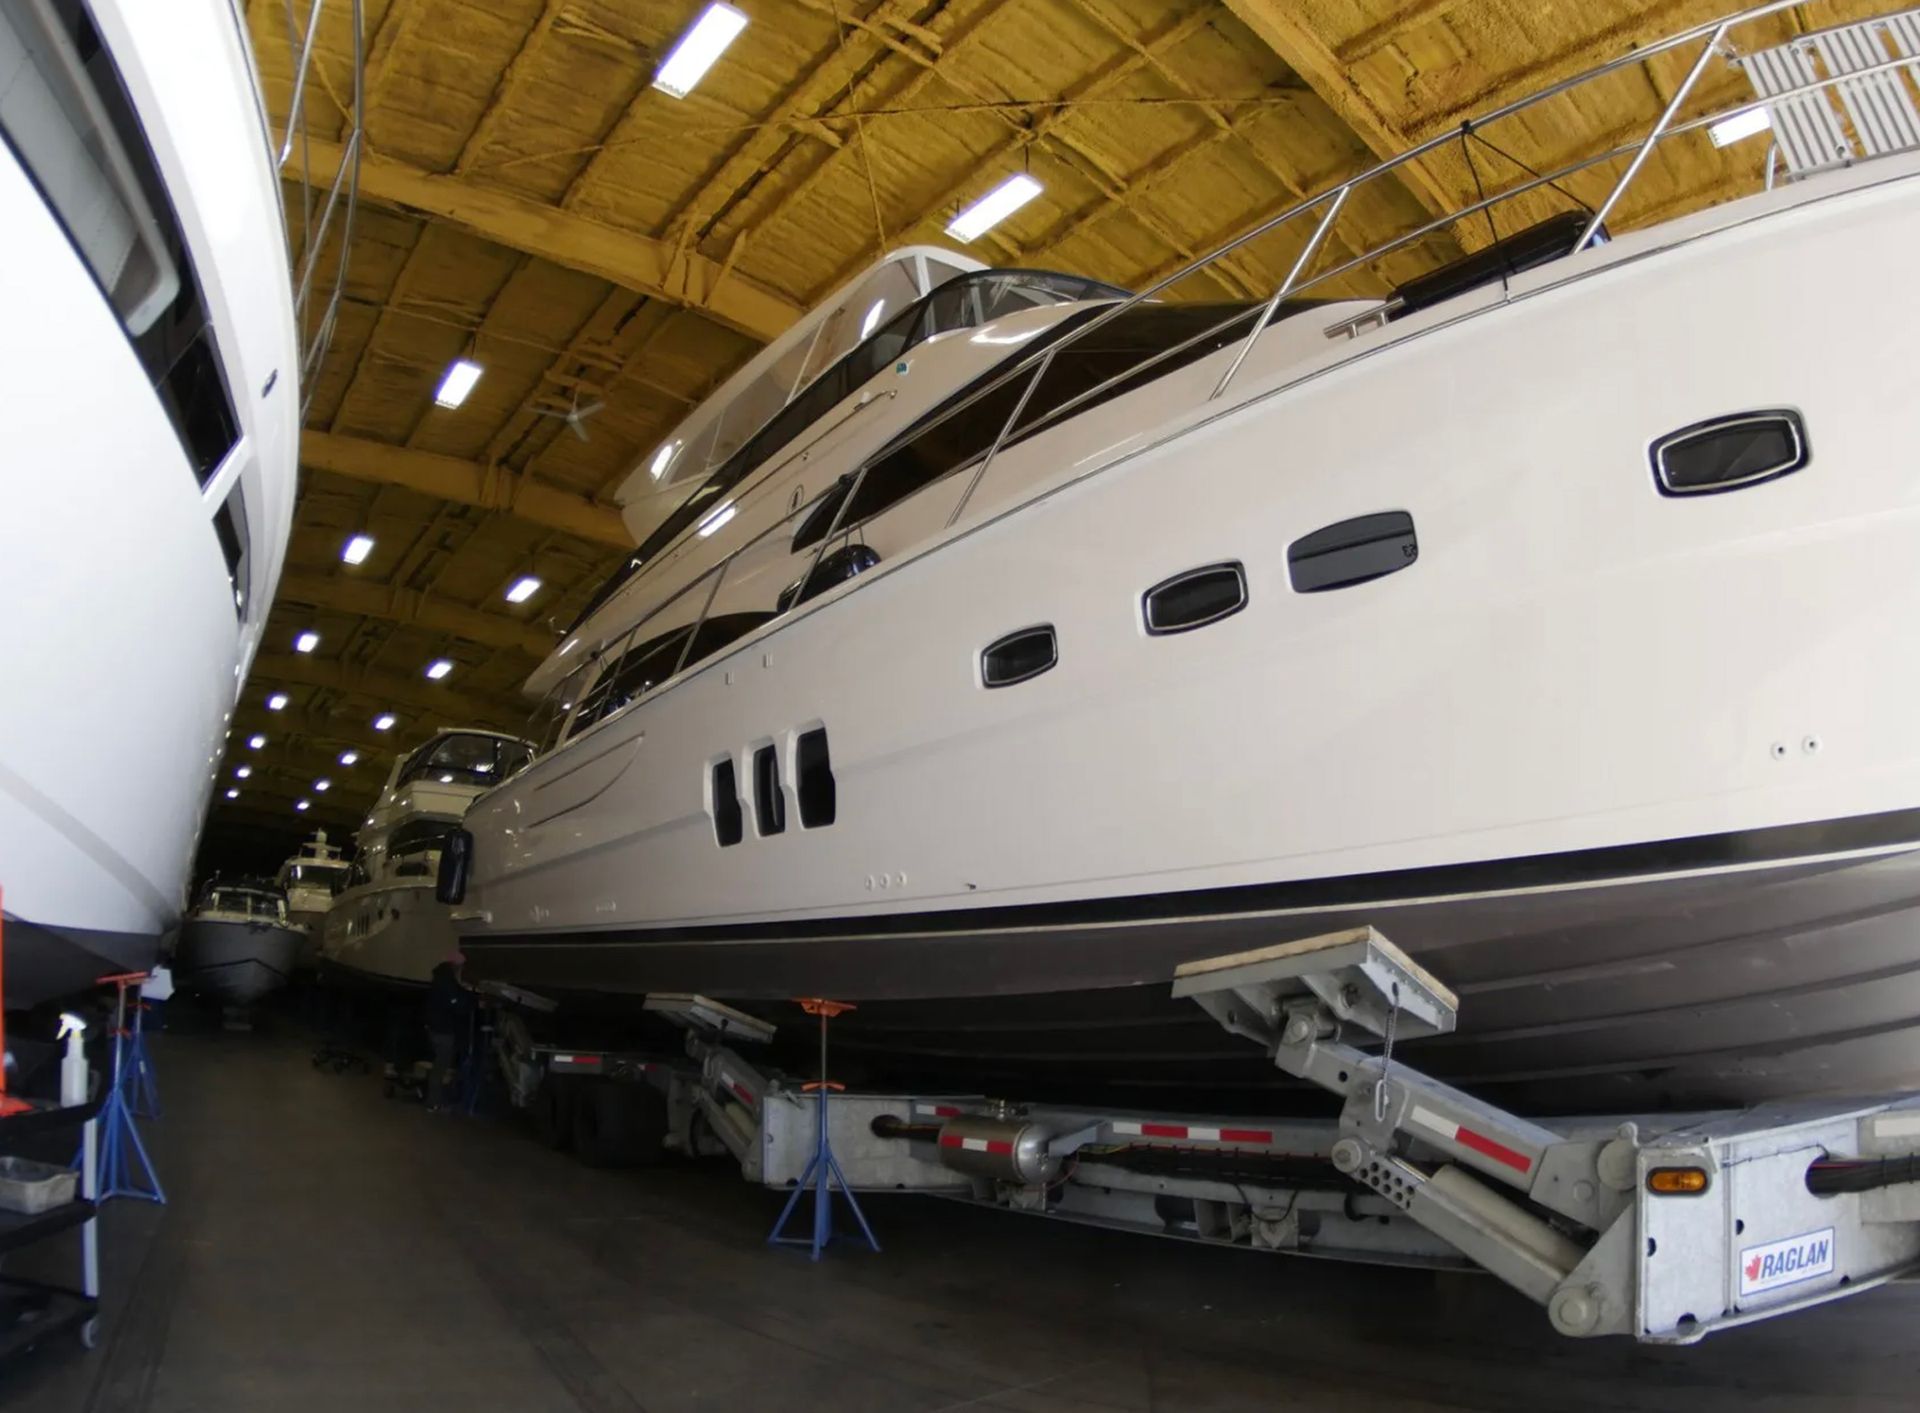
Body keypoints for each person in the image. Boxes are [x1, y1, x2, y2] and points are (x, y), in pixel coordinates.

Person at [424, 955, 471, 1112]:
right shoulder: (448, 982)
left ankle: (435, 1098)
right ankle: (434, 1102)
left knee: (440, 1065)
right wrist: (470, 999)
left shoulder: (439, 978)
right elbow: (456, 1003)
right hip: (443, 1030)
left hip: (434, 1027)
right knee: (441, 1067)